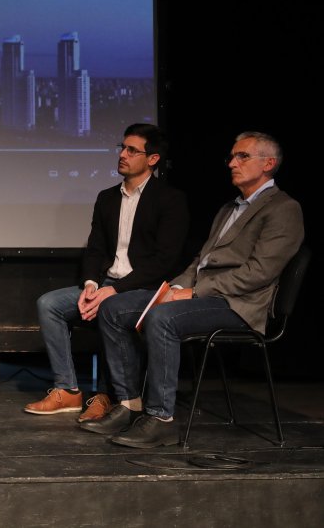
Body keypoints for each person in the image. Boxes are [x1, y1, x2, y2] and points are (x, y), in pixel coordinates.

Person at [82, 131, 304, 448]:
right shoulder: (230, 208)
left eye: (242, 157)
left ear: (268, 164)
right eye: (231, 156)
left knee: (163, 319)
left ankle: (161, 419)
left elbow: (259, 273)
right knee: (114, 308)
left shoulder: (283, 209)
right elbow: (201, 260)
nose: (231, 163)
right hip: (202, 294)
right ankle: (129, 404)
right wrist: (175, 287)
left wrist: (195, 293)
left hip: (239, 305)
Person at [23, 123, 189, 423]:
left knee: (111, 308)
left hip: (144, 288)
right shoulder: (107, 198)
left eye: (131, 150)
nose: (122, 155)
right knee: (49, 304)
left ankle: (109, 396)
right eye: (122, 148)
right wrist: (90, 284)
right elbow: (96, 249)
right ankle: (67, 390)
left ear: (152, 159)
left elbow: (164, 262)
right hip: (106, 282)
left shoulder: (169, 200)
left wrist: (115, 289)